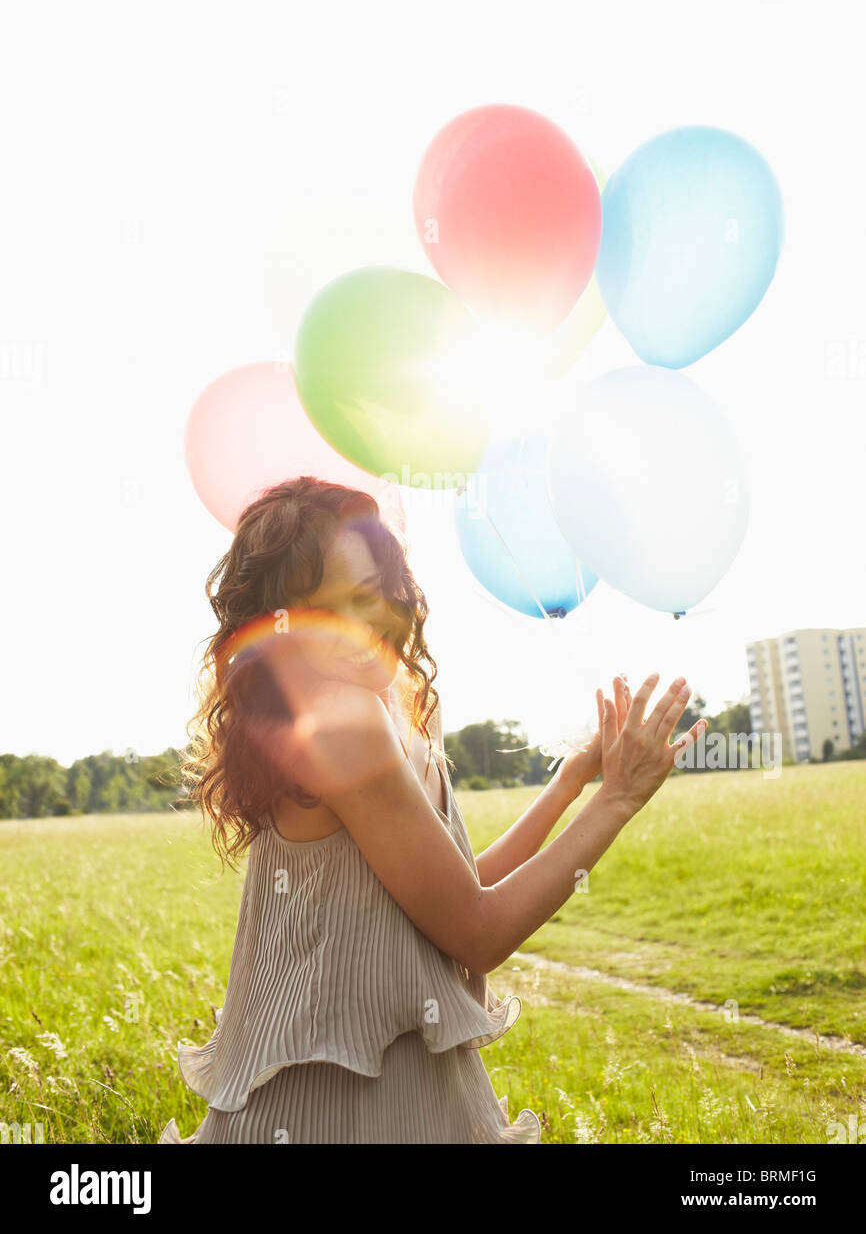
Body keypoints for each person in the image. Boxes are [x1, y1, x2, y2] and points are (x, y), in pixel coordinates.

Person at [159, 475, 705, 1144]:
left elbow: (451, 887)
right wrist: (618, 799)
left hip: (406, 1090)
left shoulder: (396, 701)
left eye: (370, 595)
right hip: (331, 1111)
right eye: (326, 608)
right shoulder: (339, 718)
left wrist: (570, 784)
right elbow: (477, 932)